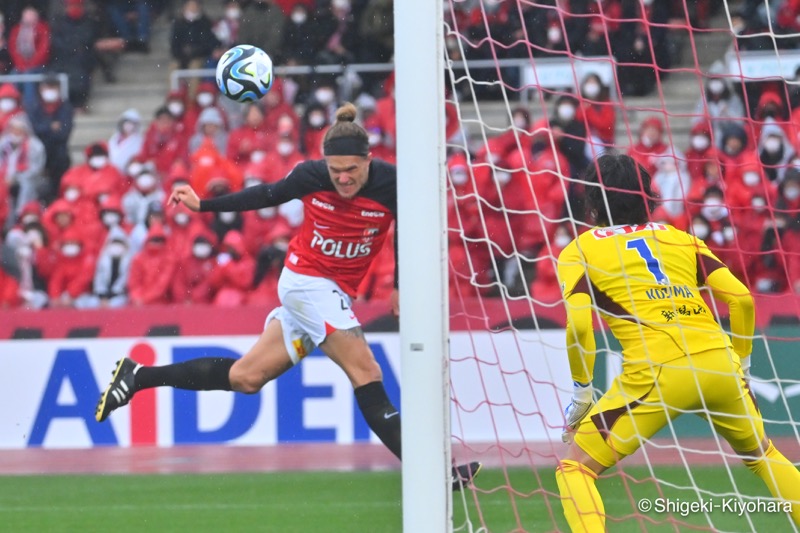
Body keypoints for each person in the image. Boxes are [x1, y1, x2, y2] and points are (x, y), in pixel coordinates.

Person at [95, 102, 481, 491]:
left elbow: (405, 230)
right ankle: (434, 474)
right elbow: (264, 195)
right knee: (367, 371)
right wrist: (204, 205)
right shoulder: (310, 176)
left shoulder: (390, 183)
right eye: (336, 171)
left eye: (352, 170)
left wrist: (398, 284)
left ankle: (138, 376)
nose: (343, 180)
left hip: (330, 289)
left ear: (369, 160)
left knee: (246, 378)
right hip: (306, 282)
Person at [555, 153, 800, 531]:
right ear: (648, 198)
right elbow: (741, 300)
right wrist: (743, 367)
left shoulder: (580, 250)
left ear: (590, 204)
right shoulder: (681, 238)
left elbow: (579, 328)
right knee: (764, 453)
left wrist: (583, 396)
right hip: (719, 363)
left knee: (575, 467)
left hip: (655, 373)